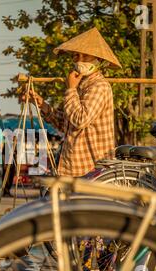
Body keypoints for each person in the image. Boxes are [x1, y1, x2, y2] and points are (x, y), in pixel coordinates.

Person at [27, 27, 121, 177]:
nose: (79, 60)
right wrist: (42, 105)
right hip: (75, 164)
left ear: (99, 61)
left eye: (85, 56)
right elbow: (67, 124)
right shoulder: (82, 85)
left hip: (91, 166)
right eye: (76, 56)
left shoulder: (99, 87)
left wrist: (70, 89)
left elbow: (80, 120)